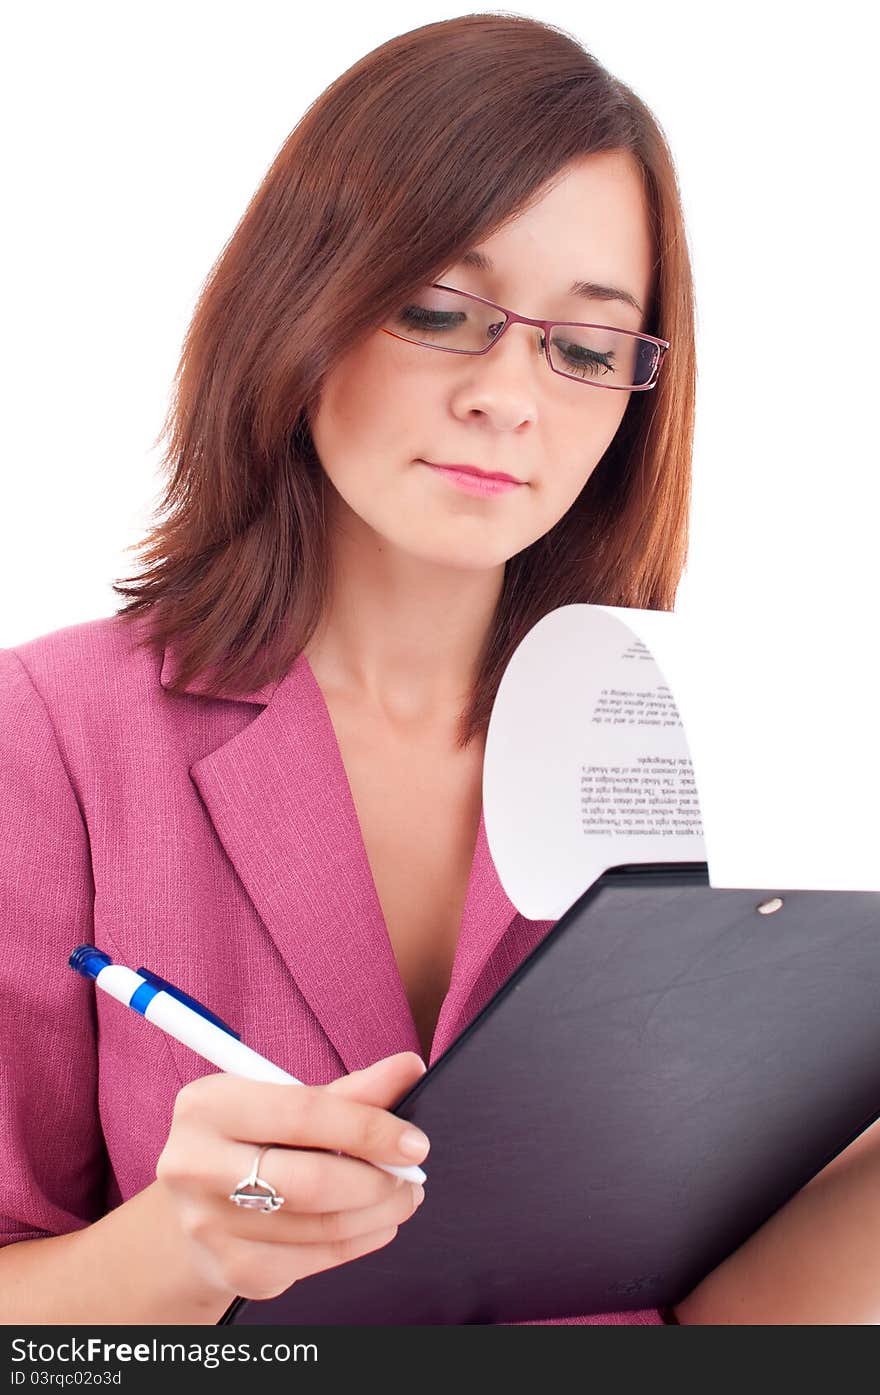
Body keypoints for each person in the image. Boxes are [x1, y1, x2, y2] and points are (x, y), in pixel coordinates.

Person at [1, 13, 873, 1328]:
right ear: (302, 301)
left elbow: (711, 1322)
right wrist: (188, 1247)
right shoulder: (54, 737)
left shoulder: (709, 749)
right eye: (438, 311)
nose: (511, 398)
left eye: (585, 348)